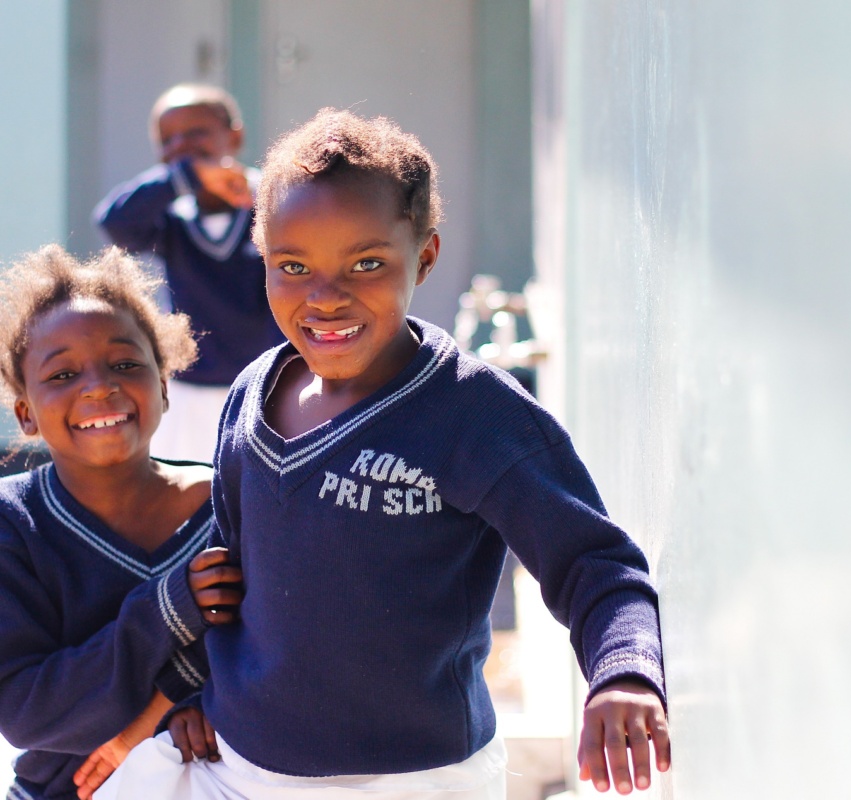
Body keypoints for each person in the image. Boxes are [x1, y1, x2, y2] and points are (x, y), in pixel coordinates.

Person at [96, 108, 671, 799]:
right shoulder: (251, 394)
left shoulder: (472, 412)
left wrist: (625, 674)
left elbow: (595, 562)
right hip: (244, 765)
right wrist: (185, 693)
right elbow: (223, 575)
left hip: (416, 778)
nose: (325, 297)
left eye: (366, 263)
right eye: (293, 266)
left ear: (423, 257)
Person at [0, 245, 233, 800]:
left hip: (225, 780)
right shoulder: (13, 523)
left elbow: (274, 651)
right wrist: (166, 611)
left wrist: (192, 704)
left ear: (164, 385)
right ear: (26, 412)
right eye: (62, 373)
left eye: (126, 364)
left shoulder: (231, 504)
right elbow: (27, 711)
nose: (99, 386)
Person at [93, 83, 282, 463]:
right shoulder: (171, 218)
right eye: (168, 139)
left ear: (235, 135)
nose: (181, 145)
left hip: (267, 386)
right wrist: (185, 177)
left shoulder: (274, 201)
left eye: (196, 132)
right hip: (188, 392)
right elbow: (115, 222)